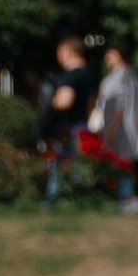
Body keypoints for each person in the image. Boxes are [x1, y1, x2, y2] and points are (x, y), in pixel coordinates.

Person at [89, 41, 138, 213]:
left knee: (122, 164)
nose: (106, 58)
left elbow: (118, 105)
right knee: (127, 162)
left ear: (118, 54)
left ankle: (126, 198)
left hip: (120, 127)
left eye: (110, 54)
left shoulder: (119, 78)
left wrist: (111, 129)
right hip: (134, 125)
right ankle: (127, 197)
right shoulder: (136, 77)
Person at [37, 37, 89, 201]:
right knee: (79, 164)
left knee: (59, 164)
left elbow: (64, 101)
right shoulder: (89, 74)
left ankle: (53, 199)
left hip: (68, 128)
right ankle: (79, 198)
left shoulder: (70, 77)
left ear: (67, 51)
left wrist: (53, 104)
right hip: (83, 125)